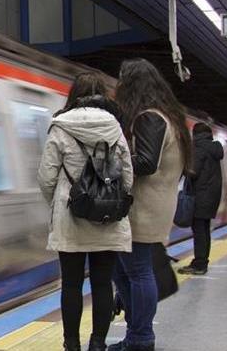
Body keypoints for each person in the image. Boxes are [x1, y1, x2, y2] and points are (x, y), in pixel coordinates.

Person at [38, 72, 134, 351]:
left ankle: (72, 345)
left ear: (73, 96)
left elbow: (46, 177)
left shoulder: (60, 127)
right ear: (103, 95)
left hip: (71, 217)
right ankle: (98, 344)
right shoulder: (115, 128)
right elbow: (127, 176)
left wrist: (59, 204)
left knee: (71, 284)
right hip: (107, 219)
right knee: (103, 284)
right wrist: (113, 201)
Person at [109, 59, 193, 351]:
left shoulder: (149, 118)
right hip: (154, 205)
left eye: (121, 81)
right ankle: (136, 334)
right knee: (124, 272)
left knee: (137, 272)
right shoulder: (168, 117)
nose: (118, 87)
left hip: (143, 209)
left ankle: (141, 337)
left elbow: (145, 162)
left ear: (132, 85)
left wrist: (110, 164)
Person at [178, 122, 223, 275]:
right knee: (204, 230)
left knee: (199, 231)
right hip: (211, 197)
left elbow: (192, 171)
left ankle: (199, 265)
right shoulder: (213, 148)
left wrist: (182, 167)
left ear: (194, 134)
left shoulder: (199, 148)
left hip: (200, 196)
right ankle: (202, 262)